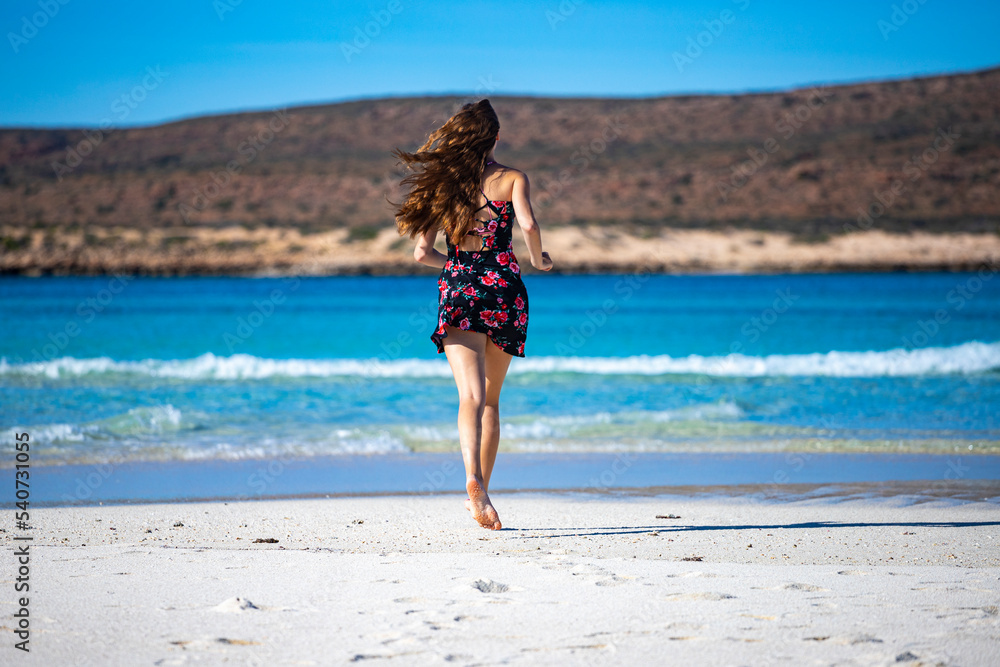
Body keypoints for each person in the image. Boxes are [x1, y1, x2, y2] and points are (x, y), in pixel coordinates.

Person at [393, 99, 553, 530]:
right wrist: (539, 261)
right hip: (504, 289)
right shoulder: (514, 178)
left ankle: (471, 479)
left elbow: (422, 252)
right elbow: (531, 227)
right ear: (496, 138)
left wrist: (457, 265)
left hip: (460, 287)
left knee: (470, 397)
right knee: (493, 401)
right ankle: (483, 491)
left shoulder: (445, 187)